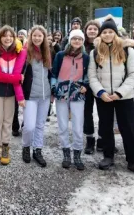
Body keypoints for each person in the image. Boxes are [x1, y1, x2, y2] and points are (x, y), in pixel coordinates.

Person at [88, 16, 134, 178]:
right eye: (105, 32)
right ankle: (108, 156)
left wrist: (120, 92)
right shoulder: (95, 52)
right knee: (105, 127)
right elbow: (92, 76)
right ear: (101, 35)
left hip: (124, 96)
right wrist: (101, 92)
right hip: (104, 97)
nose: (108, 35)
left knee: (128, 128)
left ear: (116, 33)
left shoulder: (127, 50)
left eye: (111, 32)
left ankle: (133, 160)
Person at [0, 25, 26, 165]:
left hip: (11, 92)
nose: (8, 38)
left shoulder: (17, 52)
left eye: (11, 35)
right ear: (0, 37)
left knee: (8, 121)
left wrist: (16, 79)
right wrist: (16, 78)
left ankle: (5, 147)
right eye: (5, 35)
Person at [52, 29, 89, 170]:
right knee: (62, 123)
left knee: (78, 125)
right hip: (61, 92)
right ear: (70, 40)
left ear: (82, 41)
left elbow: (87, 74)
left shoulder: (85, 57)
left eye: (80, 39)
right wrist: (54, 87)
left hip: (78, 92)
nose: (77, 41)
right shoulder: (61, 55)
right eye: (75, 38)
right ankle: (66, 152)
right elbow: (54, 72)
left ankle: (77, 153)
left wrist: (86, 85)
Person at [21, 25, 52, 167]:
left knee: (40, 125)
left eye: (40, 36)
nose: (37, 38)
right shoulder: (25, 52)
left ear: (44, 37)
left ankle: (37, 150)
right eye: (35, 35)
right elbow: (20, 74)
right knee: (29, 126)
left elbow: (51, 74)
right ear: (31, 36)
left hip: (44, 96)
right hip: (30, 96)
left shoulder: (48, 52)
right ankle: (26, 147)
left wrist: (52, 93)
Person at [82, 20, 101, 154]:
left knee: (103, 113)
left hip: (101, 84)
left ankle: (102, 139)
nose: (92, 31)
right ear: (86, 30)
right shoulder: (81, 44)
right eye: (90, 29)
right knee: (87, 113)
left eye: (95, 29)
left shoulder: (104, 45)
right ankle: (89, 140)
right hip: (85, 85)